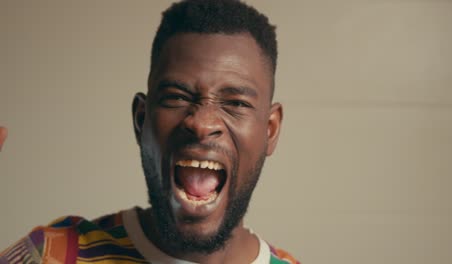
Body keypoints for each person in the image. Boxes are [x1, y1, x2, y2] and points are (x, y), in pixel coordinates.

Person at [0, 0, 299, 263]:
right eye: (177, 97)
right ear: (141, 120)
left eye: (235, 102)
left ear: (270, 130)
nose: (202, 123)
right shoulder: (52, 256)